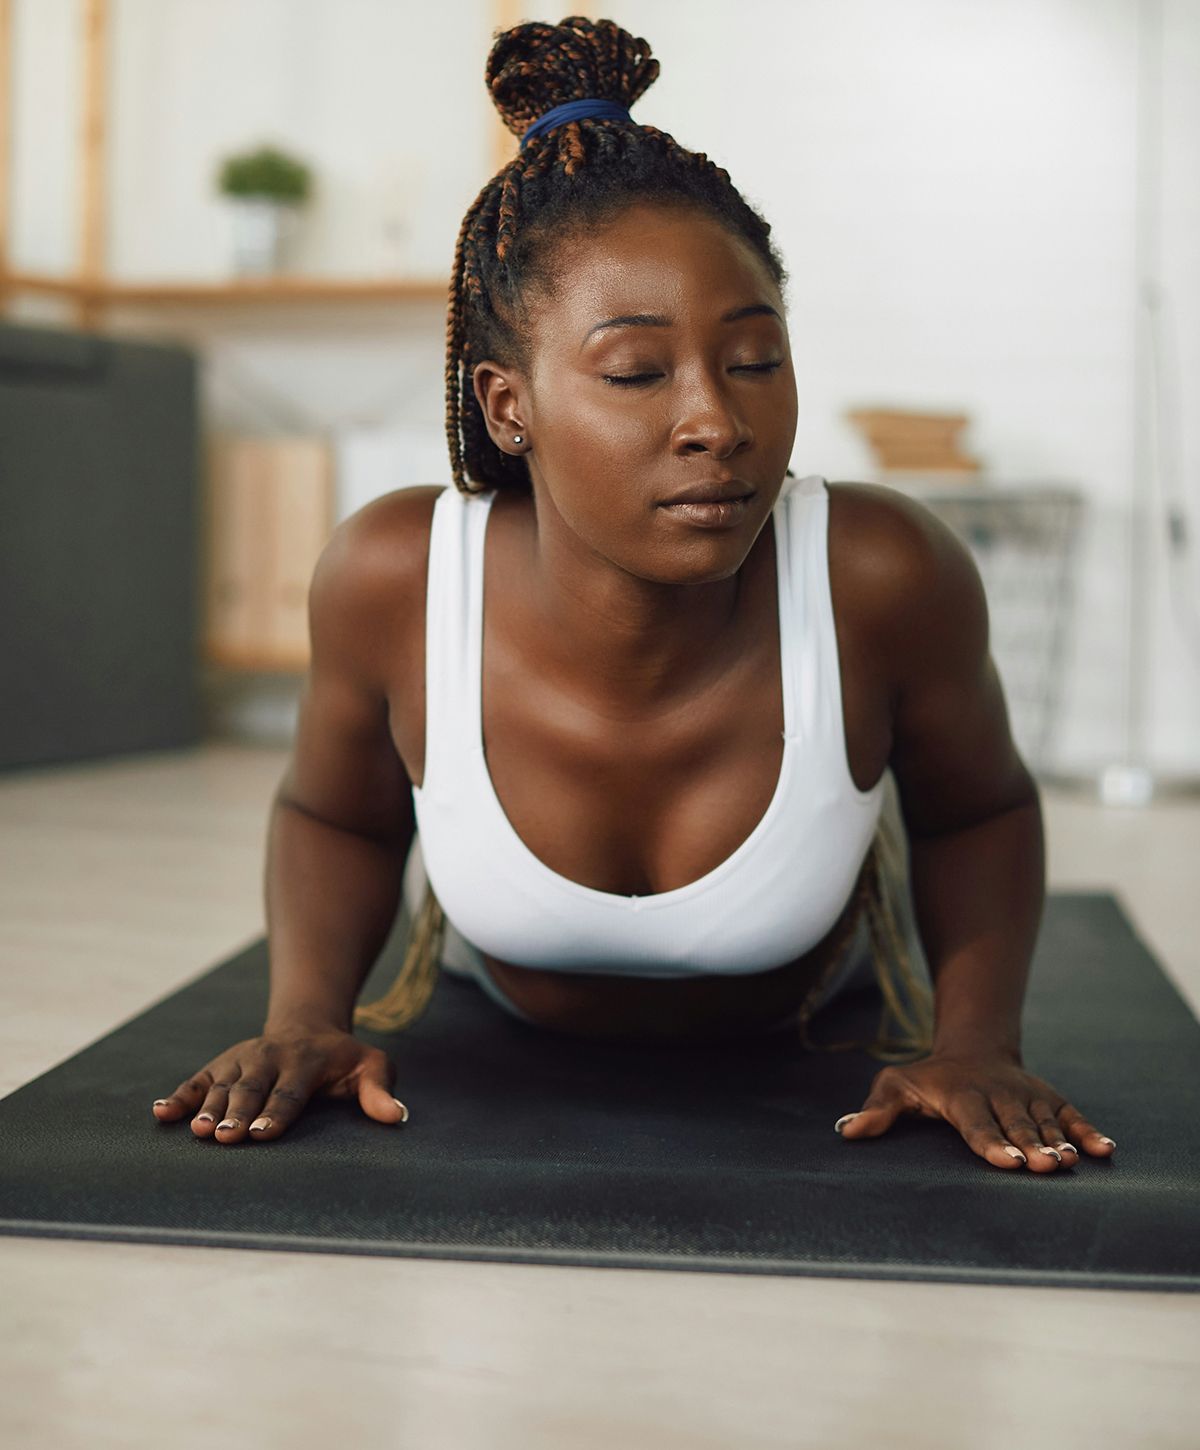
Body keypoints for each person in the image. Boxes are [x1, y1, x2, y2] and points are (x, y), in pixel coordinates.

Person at [152, 15, 1115, 1173]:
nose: (717, 420)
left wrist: (976, 1042)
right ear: (510, 407)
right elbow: (334, 811)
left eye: (755, 359)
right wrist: (307, 1017)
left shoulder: (882, 573)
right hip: (493, 996)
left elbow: (981, 809)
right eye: (635, 372)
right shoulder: (394, 577)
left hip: (806, 1004)